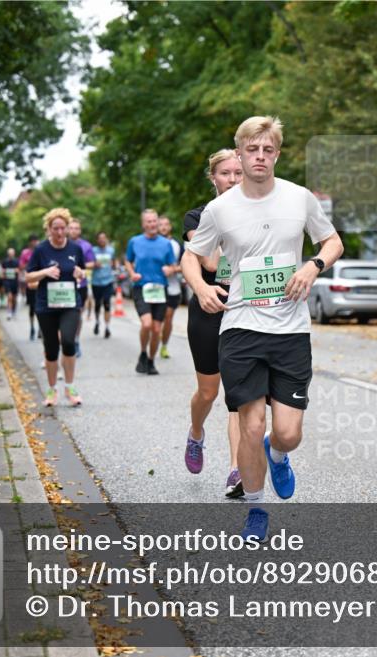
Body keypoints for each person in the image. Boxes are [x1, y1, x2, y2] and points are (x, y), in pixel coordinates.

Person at [182, 116, 344, 541]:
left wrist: (313, 266)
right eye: (251, 150)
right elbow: (191, 256)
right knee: (250, 426)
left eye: (267, 150)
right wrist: (201, 287)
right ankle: (256, 508)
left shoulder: (299, 198)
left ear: (277, 154)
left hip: (291, 331)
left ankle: (278, 454)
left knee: (287, 434)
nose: (259, 157)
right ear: (239, 154)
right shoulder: (220, 210)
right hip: (240, 328)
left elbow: (333, 241)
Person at [183, 148, 244, 496]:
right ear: (213, 178)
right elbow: (209, 262)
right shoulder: (197, 216)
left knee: (238, 394)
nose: (233, 180)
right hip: (209, 310)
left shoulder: (260, 212)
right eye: (225, 173)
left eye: (238, 173)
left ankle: (237, 470)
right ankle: (196, 434)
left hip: (244, 310)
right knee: (208, 392)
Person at [26, 208, 87, 407]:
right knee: (51, 349)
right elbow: (28, 277)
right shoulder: (41, 250)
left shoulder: (75, 249)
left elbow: (82, 271)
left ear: (67, 228)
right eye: (55, 228)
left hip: (70, 304)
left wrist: (80, 274)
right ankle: (52, 390)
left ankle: (70, 387)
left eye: (63, 228)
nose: (60, 232)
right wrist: (45, 272)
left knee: (68, 342)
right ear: (49, 229)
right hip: (46, 306)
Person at [125, 209, 180, 375]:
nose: (152, 224)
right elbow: (128, 260)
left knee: (156, 329)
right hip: (141, 288)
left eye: (154, 221)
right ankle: (143, 352)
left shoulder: (165, 244)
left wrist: (170, 269)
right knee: (147, 324)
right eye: (149, 221)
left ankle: (150, 360)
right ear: (143, 224)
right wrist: (132, 273)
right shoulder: (135, 241)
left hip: (160, 290)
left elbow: (173, 265)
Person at [67, 219, 96, 357]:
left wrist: (79, 265)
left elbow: (92, 263)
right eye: (71, 228)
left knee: (77, 314)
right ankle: (65, 341)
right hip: (65, 285)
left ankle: (76, 341)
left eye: (76, 228)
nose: (73, 231)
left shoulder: (86, 246)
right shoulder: (61, 243)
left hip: (80, 284)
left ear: (80, 230)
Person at [157, 216, 183, 359]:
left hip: (173, 287)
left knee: (168, 318)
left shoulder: (177, 244)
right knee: (156, 320)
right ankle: (154, 340)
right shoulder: (152, 243)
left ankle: (164, 346)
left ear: (170, 227)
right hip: (155, 288)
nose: (163, 227)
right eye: (161, 224)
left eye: (166, 224)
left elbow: (186, 265)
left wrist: (173, 269)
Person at [90, 231, 116, 338]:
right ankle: (97, 322)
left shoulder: (111, 250)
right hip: (96, 281)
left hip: (108, 281)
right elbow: (89, 263)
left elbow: (114, 263)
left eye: (104, 238)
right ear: (97, 240)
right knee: (97, 304)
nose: (102, 240)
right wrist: (94, 264)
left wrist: (113, 265)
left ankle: (107, 327)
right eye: (100, 238)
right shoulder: (93, 250)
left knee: (107, 304)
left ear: (106, 239)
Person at [19, 235, 40, 340]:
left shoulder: (41, 251)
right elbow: (21, 266)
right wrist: (30, 264)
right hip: (31, 282)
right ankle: (32, 328)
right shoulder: (25, 253)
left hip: (41, 282)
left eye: (36, 241)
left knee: (41, 307)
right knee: (32, 307)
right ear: (30, 242)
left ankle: (41, 329)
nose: (35, 243)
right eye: (33, 241)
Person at [1, 248, 19, 320]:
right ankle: (9, 312)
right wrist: (4, 272)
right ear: (8, 254)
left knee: (14, 298)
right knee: (9, 297)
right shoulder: (4, 261)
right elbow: (2, 271)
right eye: (9, 253)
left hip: (15, 281)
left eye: (12, 253)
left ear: (14, 254)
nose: (11, 255)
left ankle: (14, 311)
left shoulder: (17, 261)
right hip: (7, 281)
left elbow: (19, 270)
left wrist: (16, 271)